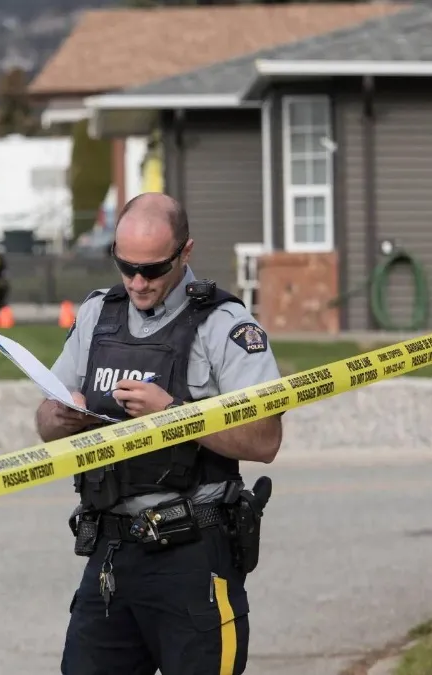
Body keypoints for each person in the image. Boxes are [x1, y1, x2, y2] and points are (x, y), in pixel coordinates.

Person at [37, 193, 284, 675]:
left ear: (184, 252)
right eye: (126, 266)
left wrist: (172, 414)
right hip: (111, 552)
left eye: (151, 270)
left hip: (192, 555)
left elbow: (265, 439)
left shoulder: (225, 325)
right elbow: (46, 422)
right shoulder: (98, 314)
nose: (136, 282)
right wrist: (62, 417)